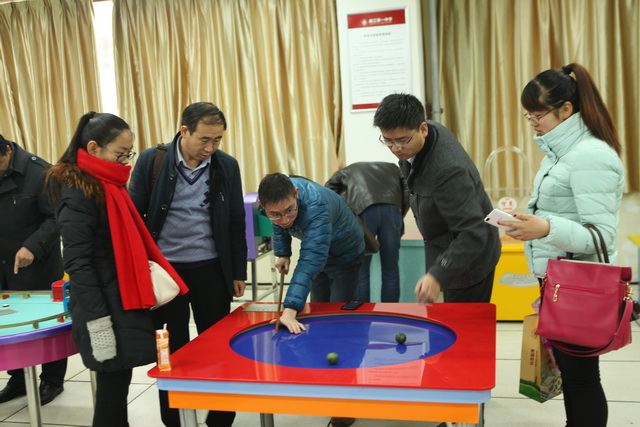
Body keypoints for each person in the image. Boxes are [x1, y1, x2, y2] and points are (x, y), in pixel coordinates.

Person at [44, 112, 188, 426]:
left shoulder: (107, 183)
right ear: (93, 148)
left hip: (119, 296)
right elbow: (78, 263)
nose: (125, 162)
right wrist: (99, 324)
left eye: (128, 153)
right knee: (111, 390)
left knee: (117, 383)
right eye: (120, 153)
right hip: (103, 307)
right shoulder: (78, 191)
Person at [503, 63, 624, 427]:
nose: (532, 123)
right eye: (529, 116)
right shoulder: (560, 154)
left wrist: (545, 227)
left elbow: (601, 234)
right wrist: (535, 224)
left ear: (566, 109)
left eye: (538, 115)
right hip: (560, 282)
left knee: (582, 378)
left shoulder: (591, 155)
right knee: (573, 376)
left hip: (579, 286)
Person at [129, 102, 247, 427]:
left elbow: (236, 220)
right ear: (184, 131)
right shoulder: (152, 161)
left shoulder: (226, 165)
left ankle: (220, 418)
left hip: (212, 269)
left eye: (217, 140)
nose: (210, 147)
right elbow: (134, 218)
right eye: (204, 139)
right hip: (166, 273)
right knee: (171, 350)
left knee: (219, 345)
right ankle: (174, 419)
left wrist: (238, 271)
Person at [373, 93, 501, 304]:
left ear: (423, 129)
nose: (395, 148)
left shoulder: (447, 170)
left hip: (469, 260)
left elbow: (473, 232)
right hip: (445, 245)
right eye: (388, 140)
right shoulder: (420, 138)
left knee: (463, 323)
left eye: (402, 140)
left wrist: (437, 275)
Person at [258, 173, 364, 427]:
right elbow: (280, 226)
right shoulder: (278, 205)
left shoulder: (315, 206)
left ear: (295, 194)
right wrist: (283, 253)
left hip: (346, 253)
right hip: (320, 252)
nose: (284, 218)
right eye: (275, 213)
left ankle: (345, 405)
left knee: (340, 325)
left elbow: (310, 260)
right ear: (263, 206)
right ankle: (325, 386)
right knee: (318, 319)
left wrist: (290, 308)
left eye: (289, 211)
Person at [0, 134, 67, 405]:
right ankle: (18, 378)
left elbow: (58, 216)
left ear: (7, 151)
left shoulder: (41, 172)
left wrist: (32, 246)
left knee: (47, 324)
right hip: (3, 265)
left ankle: (52, 380)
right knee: (10, 325)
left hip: (36, 263)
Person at [325, 162, 409, 302]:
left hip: (362, 211)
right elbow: (407, 189)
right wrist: (400, 213)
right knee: (391, 269)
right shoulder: (394, 168)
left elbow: (328, 192)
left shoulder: (345, 171)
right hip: (392, 211)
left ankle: (363, 311)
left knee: (361, 271)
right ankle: (389, 311)